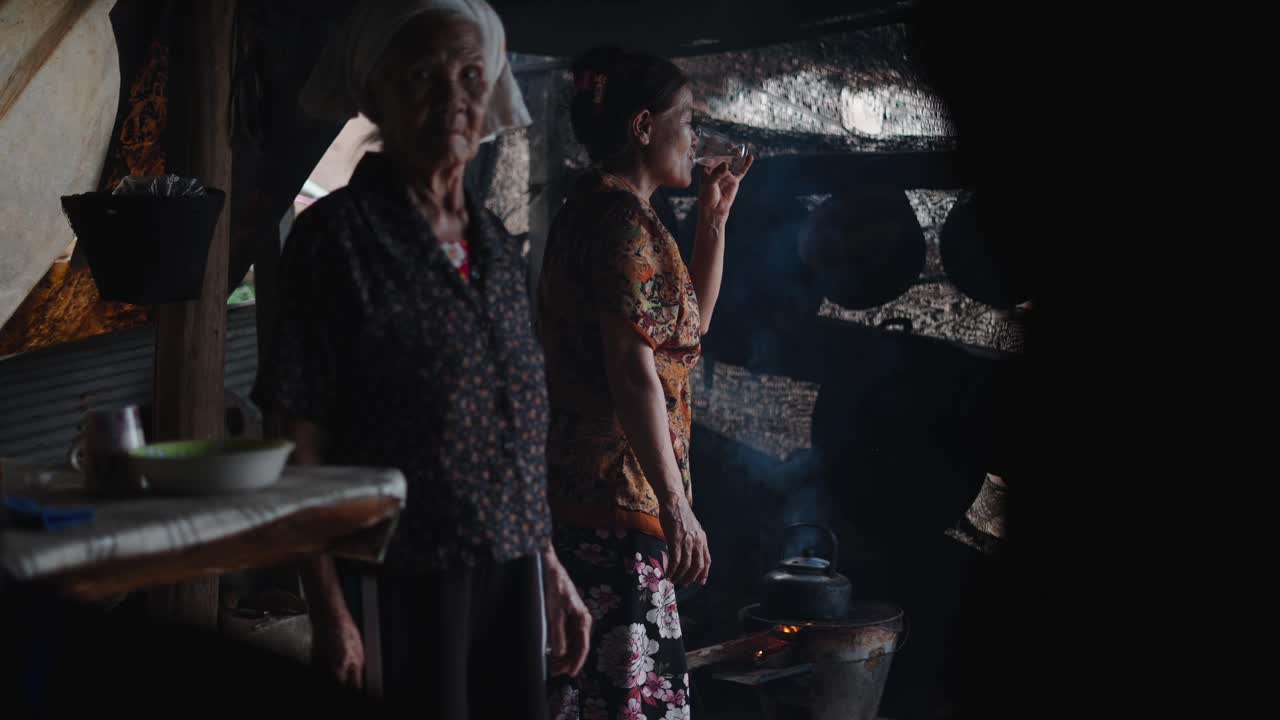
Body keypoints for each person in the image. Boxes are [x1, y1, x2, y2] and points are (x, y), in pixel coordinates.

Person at [252, 1, 591, 715]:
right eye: (421, 76)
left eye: (470, 75)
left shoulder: (493, 244)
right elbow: (294, 435)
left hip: (510, 566)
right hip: (397, 572)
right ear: (375, 97)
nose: (452, 97)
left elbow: (514, 426)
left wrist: (549, 565)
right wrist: (327, 607)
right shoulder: (338, 238)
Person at [536, 46, 753, 719]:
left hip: (597, 496)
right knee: (625, 699)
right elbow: (633, 372)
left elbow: (686, 335)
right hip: (618, 499)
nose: (695, 137)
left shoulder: (603, 210)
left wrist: (713, 222)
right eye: (686, 120)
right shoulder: (623, 223)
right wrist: (675, 504)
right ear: (642, 126)